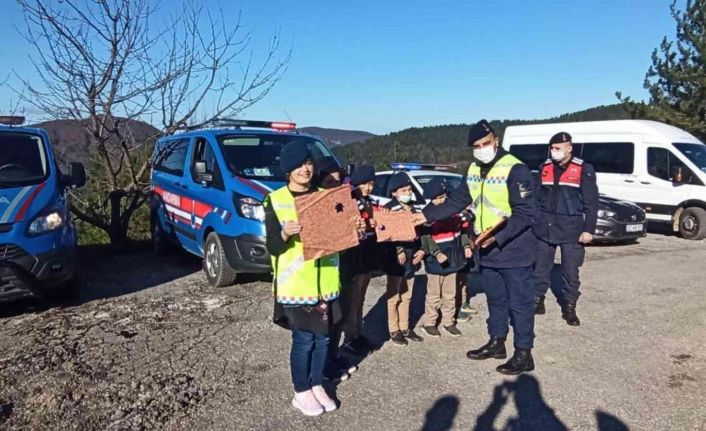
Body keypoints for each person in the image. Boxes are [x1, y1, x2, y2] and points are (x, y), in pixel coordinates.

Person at [413, 119, 537, 375]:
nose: (482, 149)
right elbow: (458, 200)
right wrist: (427, 216)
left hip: (513, 250)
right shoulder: (472, 169)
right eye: (477, 146)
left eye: (486, 143)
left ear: (496, 141)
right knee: (496, 300)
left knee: (520, 303)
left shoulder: (516, 169)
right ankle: (496, 342)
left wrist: (499, 238)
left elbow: (526, 213)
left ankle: (524, 353)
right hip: (487, 249)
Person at [264, 141, 341, 416]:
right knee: (304, 340)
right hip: (297, 283)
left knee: (324, 339)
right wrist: (285, 233)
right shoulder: (274, 200)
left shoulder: (326, 196)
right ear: (287, 170)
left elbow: (340, 236)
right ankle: (301, 390)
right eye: (298, 165)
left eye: (308, 163)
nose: (305, 169)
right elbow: (272, 246)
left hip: (327, 280)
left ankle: (317, 383)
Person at [532, 132, 599, 326]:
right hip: (545, 227)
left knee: (570, 271)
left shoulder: (583, 169)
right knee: (540, 267)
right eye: (552, 148)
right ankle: (538, 300)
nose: (554, 152)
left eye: (558, 148)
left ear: (569, 148)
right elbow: (536, 199)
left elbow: (591, 203)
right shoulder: (544, 167)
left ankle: (569, 307)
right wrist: (536, 220)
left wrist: (589, 229)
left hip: (571, 228)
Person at [313, 157, 362, 381]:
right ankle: (322, 366)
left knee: (341, 316)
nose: (334, 185)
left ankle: (332, 357)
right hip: (325, 272)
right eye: (328, 181)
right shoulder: (313, 206)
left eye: (338, 181)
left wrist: (357, 229)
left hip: (347, 267)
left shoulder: (346, 202)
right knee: (326, 321)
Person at [419, 177, 472, 338]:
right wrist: (436, 253)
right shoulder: (428, 214)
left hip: (453, 257)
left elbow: (461, 233)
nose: (440, 201)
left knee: (450, 293)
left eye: (443, 197)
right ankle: (429, 322)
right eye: (437, 198)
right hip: (436, 259)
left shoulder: (453, 212)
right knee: (434, 294)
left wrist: (466, 246)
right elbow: (425, 238)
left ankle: (449, 321)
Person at [382, 172, 425, 346]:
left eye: (409, 189)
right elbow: (387, 233)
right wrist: (398, 249)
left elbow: (422, 232)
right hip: (396, 256)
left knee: (407, 294)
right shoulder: (390, 208)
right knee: (394, 295)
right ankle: (394, 329)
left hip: (412, 253)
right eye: (403, 190)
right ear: (394, 192)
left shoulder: (414, 207)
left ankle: (405, 326)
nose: (408, 193)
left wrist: (422, 250)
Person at [341, 165, 379, 355]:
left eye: (371, 184)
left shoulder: (368, 201)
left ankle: (358, 332)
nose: (369, 187)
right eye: (365, 183)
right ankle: (349, 336)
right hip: (353, 256)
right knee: (352, 299)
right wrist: (364, 224)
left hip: (366, 254)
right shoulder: (349, 201)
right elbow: (346, 225)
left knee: (361, 298)